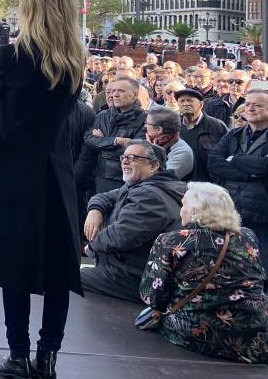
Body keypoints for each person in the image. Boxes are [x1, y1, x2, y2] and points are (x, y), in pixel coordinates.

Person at [0, 0, 87, 379]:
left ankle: (18, 356)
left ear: (30, 8)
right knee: (58, 267)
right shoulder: (75, 61)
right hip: (54, 170)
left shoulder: (12, 55)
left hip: (12, 172)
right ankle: (48, 357)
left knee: (13, 263)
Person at [139, 183, 268, 364]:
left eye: (184, 204)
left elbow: (152, 296)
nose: (181, 210)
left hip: (201, 332)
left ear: (195, 211)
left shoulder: (171, 241)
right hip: (255, 335)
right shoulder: (247, 236)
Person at [81, 140, 185, 303]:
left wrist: (92, 246)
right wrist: (95, 210)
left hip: (136, 276)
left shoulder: (150, 195)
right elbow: (105, 197)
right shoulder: (144, 185)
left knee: (66, 277)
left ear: (154, 166)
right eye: (123, 157)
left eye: (133, 158)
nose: (124, 161)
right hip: (130, 268)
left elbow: (121, 235)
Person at [208, 88, 268, 270]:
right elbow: (214, 162)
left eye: (257, 105)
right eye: (248, 104)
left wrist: (234, 159)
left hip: (262, 214)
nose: (250, 108)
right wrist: (247, 174)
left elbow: (264, 166)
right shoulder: (233, 135)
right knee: (231, 264)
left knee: (261, 265)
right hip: (231, 209)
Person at [84, 76, 148, 193]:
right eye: (113, 91)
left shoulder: (145, 119)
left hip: (129, 180)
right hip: (101, 179)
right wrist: (117, 141)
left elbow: (136, 152)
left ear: (134, 95)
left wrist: (102, 144)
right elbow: (89, 140)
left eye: (121, 91)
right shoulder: (103, 115)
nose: (115, 95)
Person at [176, 88, 228, 182]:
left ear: (201, 104)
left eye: (190, 100)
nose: (186, 104)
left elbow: (229, 154)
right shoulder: (173, 126)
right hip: (180, 183)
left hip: (211, 183)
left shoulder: (217, 126)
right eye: (182, 101)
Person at [144, 106, 194, 180]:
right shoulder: (153, 142)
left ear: (159, 129)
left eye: (147, 123)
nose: (145, 126)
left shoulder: (182, 152)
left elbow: (161, 180)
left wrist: (152, 151)